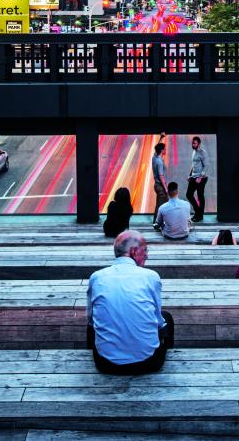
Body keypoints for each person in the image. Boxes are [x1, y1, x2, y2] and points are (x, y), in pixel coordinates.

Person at [86, 231, 174, 375]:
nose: (147, 255)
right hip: (148, 362)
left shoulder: (96, 277)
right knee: (167, 317)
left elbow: (91, 320)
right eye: (145, 250)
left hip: (106, 364)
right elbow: (158, 321)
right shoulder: (151, 277)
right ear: (133, 251)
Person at [186, 136, 208, 222]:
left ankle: (199, 215)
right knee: (189, 194)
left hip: (201, 178)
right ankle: (198, 212)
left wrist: (200, 177)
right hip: (194, 177)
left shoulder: (203, 153)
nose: (193, 144)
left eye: (194, 143)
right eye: (192, 143)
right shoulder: (193, 152)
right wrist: (190, 175)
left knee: (200, 196)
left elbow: (206, 166)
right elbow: (194, 166)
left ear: (199, 144)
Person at [151, 142, 168, 213]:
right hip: (160, 187)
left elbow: (156, 149)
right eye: (164, 149)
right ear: (162, 150)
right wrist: (166, 188)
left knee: (164, 205)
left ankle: (161, 221)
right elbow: (161, 176)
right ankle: (156, 222)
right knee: (160, 206)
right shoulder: (159, 162)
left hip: (157, 185)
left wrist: (161, 138)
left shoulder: (154, 157)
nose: (166, 150)